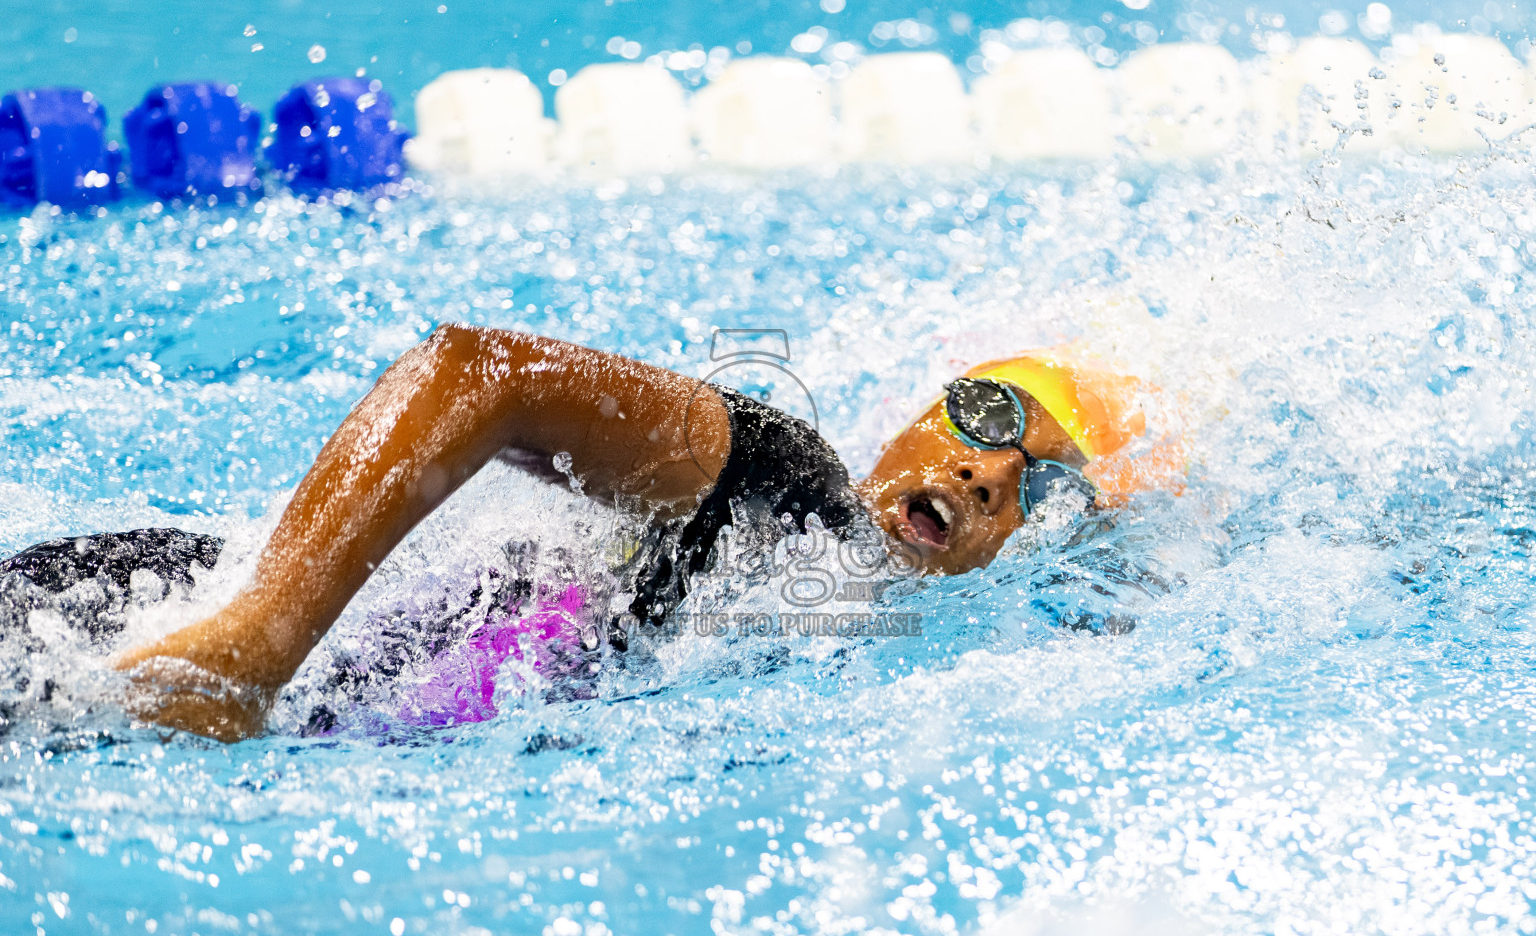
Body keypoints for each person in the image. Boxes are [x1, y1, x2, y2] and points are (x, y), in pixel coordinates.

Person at [1, 326, 1180, 740]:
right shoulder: (778, 474)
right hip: (119, 630)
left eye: (1044, 487)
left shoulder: (872, 643)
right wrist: (253, 645)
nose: (984, 474)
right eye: (986, 415)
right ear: (924, 414)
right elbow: (482, 371)